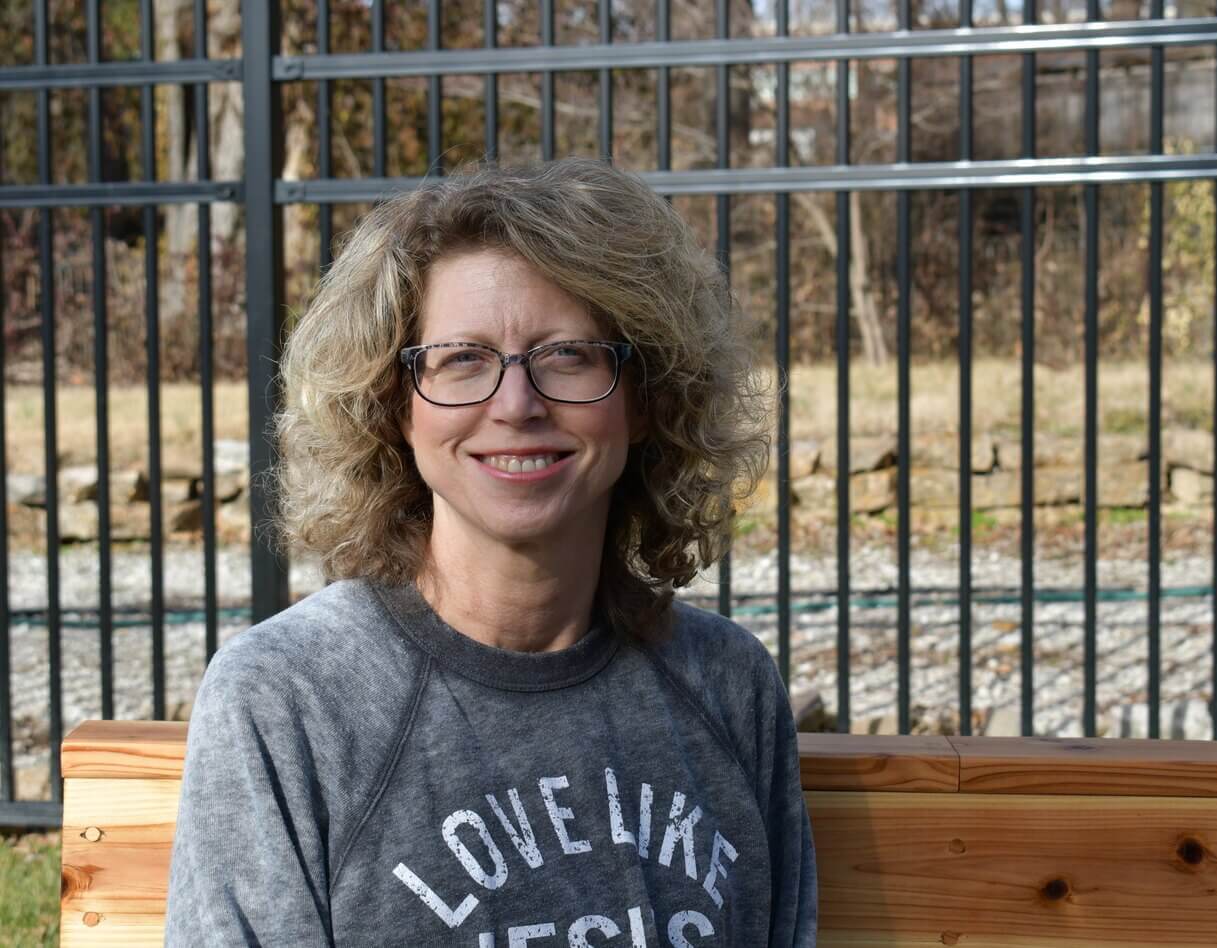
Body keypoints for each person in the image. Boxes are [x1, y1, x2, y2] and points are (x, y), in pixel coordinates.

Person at [164, 159, 816, 946]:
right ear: (393, 408)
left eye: (568, 355)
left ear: (646, 399)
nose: (516, 404)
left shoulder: (727, 683)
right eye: (461, 359)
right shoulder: (290, 701)